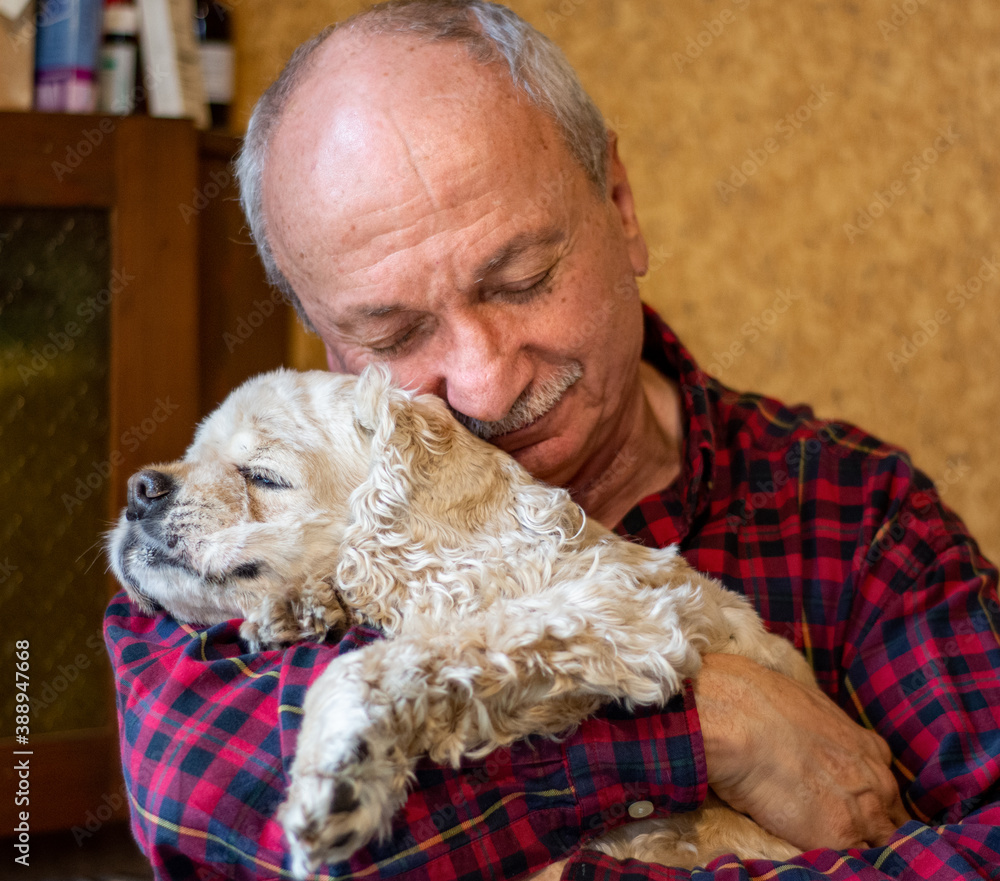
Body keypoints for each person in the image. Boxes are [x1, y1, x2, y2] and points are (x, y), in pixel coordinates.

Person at [104, 2, 1000, 879]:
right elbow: (208, 801)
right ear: (331, 346)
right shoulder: (259, 534)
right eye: (394, 336)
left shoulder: (852, 512)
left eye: (522, 278)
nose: (486, 379)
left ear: (621, 206)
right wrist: (710, 726)